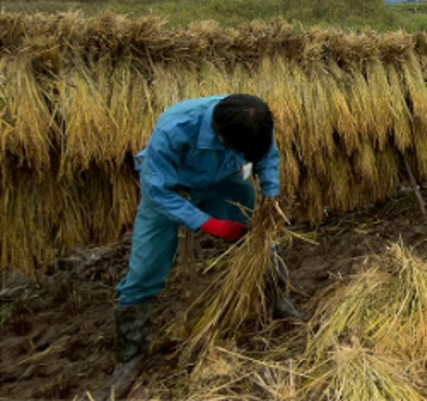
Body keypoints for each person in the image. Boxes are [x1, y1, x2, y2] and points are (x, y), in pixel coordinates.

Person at [107, 94, 303, 398]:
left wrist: (270, 197)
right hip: (171, 191)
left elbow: (268, 158)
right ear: (223, 137)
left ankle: (277, 299)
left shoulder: (256, 124)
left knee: (262, 240)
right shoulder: (175, 129)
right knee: (145, 269)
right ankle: (130, 356)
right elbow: (156, 191)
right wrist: (208, 223)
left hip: (225, 182)